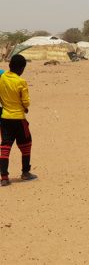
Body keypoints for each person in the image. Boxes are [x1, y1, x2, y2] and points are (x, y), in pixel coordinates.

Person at [0, 54, 37, 187]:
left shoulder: (2, 77)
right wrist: (24, 107)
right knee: (26, 145)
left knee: (5, 147)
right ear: (21, 68)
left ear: (10, 65)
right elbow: (26, 103)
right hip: (19, 119)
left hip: (4, 118)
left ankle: (4, 177)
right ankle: (25, 173)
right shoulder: (21, 82)